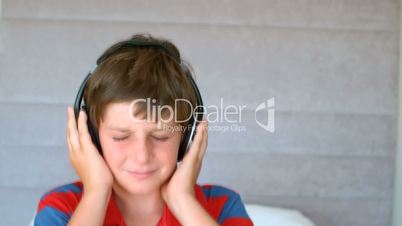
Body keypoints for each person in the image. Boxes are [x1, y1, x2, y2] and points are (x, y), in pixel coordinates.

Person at [33, 34, 253, 226]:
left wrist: (182, 200)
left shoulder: (222, 206)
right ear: (91, 136)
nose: (142, 156)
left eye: (160, 136)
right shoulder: (61, 207)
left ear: (188, 137)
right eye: (121, 137)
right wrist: (96, 192)